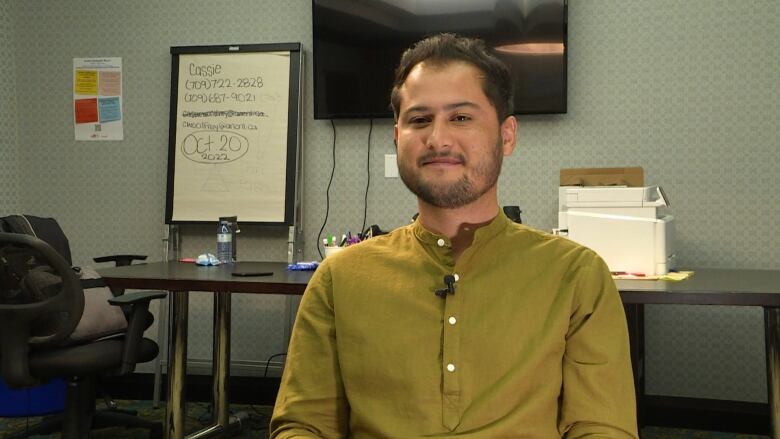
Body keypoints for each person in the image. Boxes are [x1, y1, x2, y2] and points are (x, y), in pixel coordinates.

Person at [270, 33, 638, 438]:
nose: (438, 138)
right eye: (419, 119)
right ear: (398, 136)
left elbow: (601, 428)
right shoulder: (339, 277)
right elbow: (303, 426)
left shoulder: (575, 274)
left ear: (507, 135)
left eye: (461, 118)